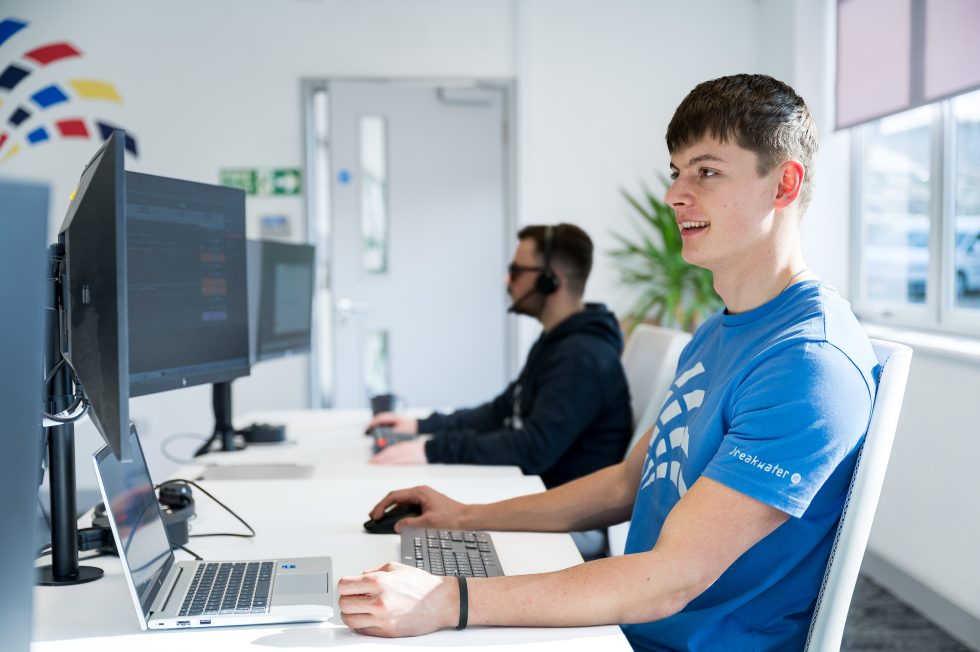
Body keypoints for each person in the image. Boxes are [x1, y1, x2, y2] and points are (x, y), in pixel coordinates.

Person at [338, 74, 879, 651]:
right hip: (623, 626)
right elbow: (630, 481)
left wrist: (445, 600)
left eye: (707, 171)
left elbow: (670, 580)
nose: (676, 194)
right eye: (677, 172)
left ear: (784, 184)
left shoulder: (807, 365)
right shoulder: (721, 331)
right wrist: (465, 516)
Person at [367, 223, 633, 495]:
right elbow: (502, 410)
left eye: (516, 271)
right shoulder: (558, 342)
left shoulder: (582, 356)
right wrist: (422, 426)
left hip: (568, 520)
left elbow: (533, 449)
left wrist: (431, 449)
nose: (508, 280)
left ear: (550, 280)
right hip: (534, 492)